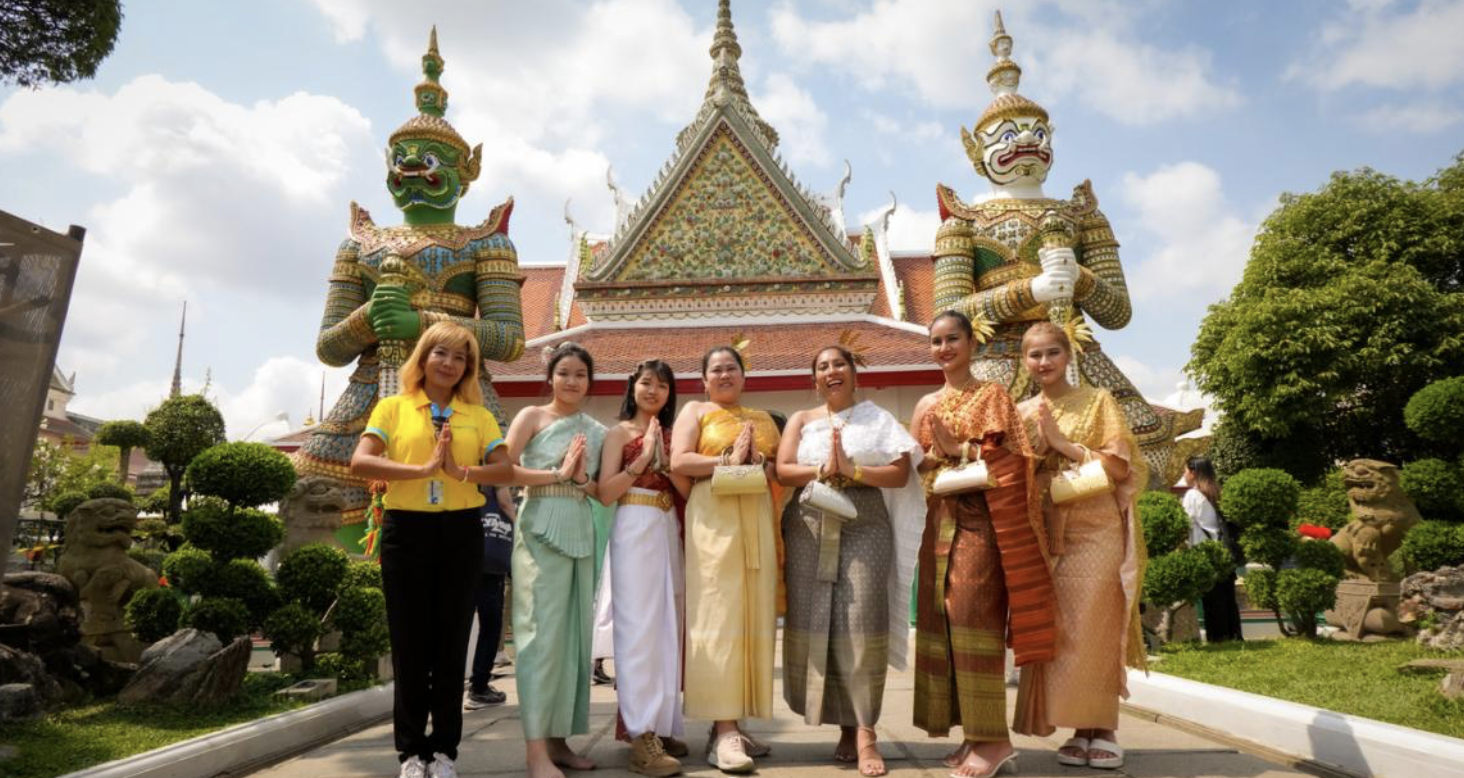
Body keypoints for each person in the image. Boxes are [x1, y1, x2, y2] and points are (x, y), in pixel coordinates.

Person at [350, 321, 512, 778]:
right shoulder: (393, 407)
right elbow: (361, 460)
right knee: (409, 642)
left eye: (460, 357)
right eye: (441, 353)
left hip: (461, 531)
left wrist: (461, 472)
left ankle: (443, 751)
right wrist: (421, 469)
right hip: (407, 530)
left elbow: (502, 470)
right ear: (423, 358)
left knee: (451, 641)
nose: (449, 363)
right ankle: (410, 752)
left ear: (469, 368)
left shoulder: (477, 416)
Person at [910, 311, 1054, 778]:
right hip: (940, 521)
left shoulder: (992, 395)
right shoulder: (925, 404)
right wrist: (937, 453)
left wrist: (963, 450)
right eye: (936, 341)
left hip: (983, 522)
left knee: (975, 620)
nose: (944, 347)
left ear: (973, 344)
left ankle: (995, 742)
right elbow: (919, 465)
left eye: (953, 338)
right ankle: (974, 732)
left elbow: (1017, 457)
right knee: (947, 622)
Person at [774, 346, 924, 777]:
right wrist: (824, 467)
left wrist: (853, 469)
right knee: (820, 619)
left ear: (855, 373)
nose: (831, 371)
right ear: (814, 379)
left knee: (860, 621)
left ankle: (865, 732)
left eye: (839, 364)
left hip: (865, 521)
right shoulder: (802, 420)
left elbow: (899, 473)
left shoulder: (878, 418)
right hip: (810, 521)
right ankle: (842, 724)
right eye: (822, 367)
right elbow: (783, 470)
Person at [1012, 321, 1147, 771]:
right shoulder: (1022, 409)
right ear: (1024, 361)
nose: (1044, 362)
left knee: (1098, 623)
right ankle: (1077, 727)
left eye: (1052, 352)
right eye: (1035, 355)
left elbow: (1121, 467)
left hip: (1095, 527)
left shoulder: (1098, 401)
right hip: (1046, 528)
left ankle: (1103, 728)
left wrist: (1063, 444)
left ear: (1069, 355)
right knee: (1062, 630)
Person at [670, 345, 780, 774]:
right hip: (714, 520)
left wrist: (757, 461)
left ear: (743, 375)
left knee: (753, 618)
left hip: (756, 516)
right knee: (717, 618)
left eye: (731, 368)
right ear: (703, 379)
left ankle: (736, 721)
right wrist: (725, 462)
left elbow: (776, 472)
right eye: (715, 369)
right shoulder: (696, 412)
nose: (724, 375)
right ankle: (724, 729)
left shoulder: (764, 418)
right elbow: (679, 462)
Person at [504, 343, 607, 778]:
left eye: (580, 374)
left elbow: (598, 488)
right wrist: (556, 475)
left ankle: (559, 741)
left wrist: (580, 478)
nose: (571, 381)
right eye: (563, 372)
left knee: (572, 641)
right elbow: (502, 471)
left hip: (581, 529)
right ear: (550, 376)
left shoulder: (596, 430)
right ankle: (534, 752)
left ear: (589, 382)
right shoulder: (530, 416)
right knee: (538, 639)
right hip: (539, 526)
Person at [598, 359, 693, 776]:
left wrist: (668, 460)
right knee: (637, 631)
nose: (653, 391)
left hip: (666, 526)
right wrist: (642, 460)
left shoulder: (674, 436)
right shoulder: (618, 434)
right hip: (633, 526)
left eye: (662, 386)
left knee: (667, 630)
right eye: (646, 383)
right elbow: (605, 493)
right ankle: (640, 734)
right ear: (632, 387)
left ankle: (662, 724)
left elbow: (687, 489)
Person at [465, 486, 516, 710]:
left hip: (462, 555)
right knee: (490, 625)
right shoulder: (493, 464)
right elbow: (504, 501)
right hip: (489, 562)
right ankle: (479, 687)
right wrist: (519, 524)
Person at [1184, 455, 1243, 643]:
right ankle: (1234, 635)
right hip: (1224, 551)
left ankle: (1218, 637)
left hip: (1206, 552)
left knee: (1212, 599)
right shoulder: (1216, 491)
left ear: (1193, 473)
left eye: (1185, 470)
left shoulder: (1193, 495)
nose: (1184, 474)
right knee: (1227, 597)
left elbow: (1184, 523)